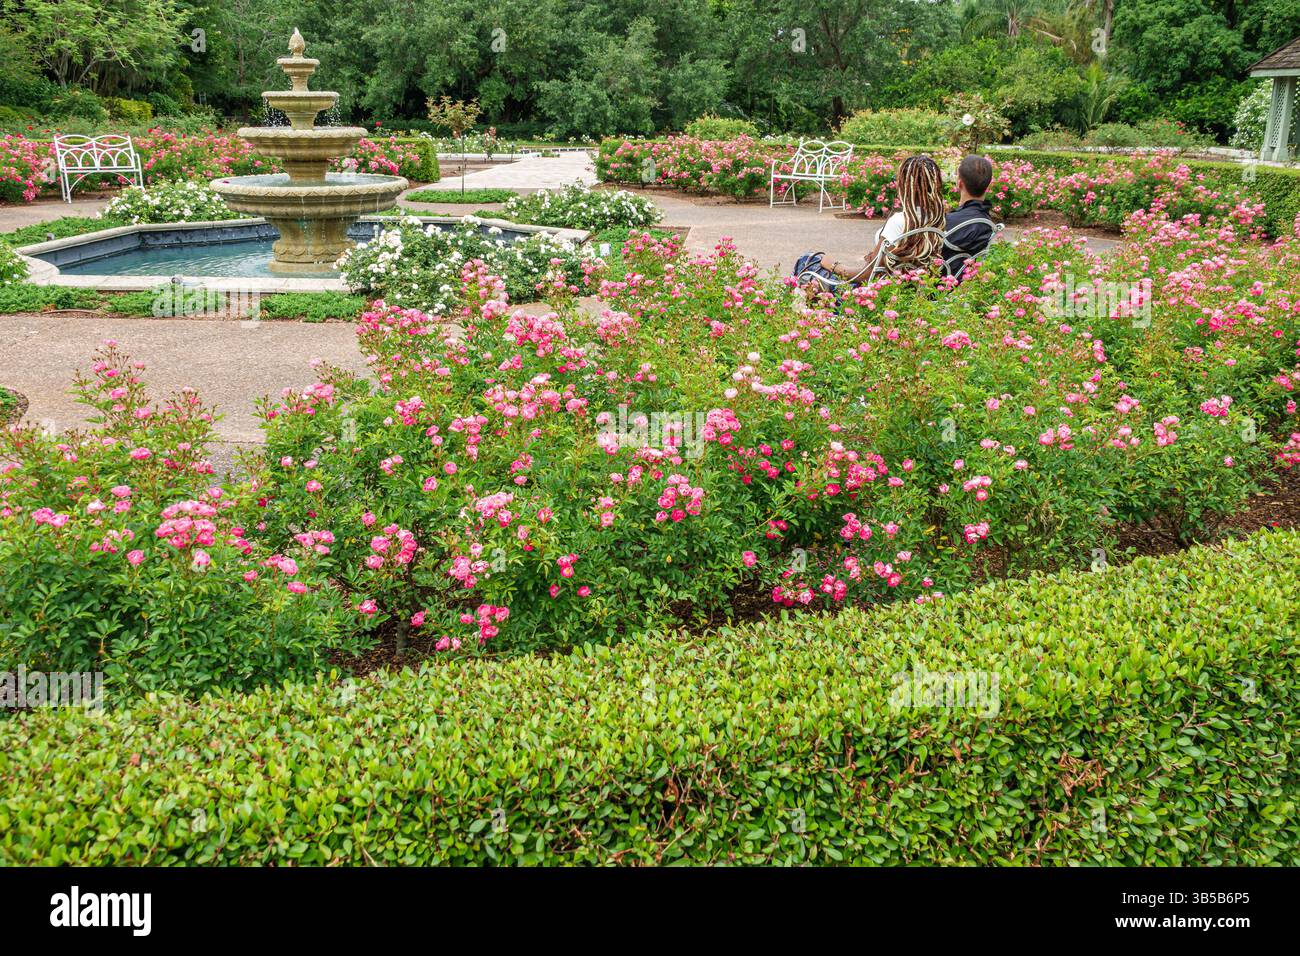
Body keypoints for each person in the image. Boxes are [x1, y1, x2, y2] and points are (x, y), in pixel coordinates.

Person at [794, 155, 948, 288]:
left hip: (880, 295)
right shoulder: (938, 220)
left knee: (808, 260)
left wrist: (834, 266)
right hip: (915, 291)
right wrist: (879, 255)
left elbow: (866, 275)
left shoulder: (900, 221)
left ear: (905, 186)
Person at [943, 155, 996, 278]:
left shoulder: (948, 221)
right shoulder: (987, 223)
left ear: (959, 183)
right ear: (987, 186)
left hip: (936, 287)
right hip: (967, 285)